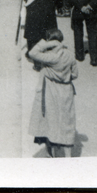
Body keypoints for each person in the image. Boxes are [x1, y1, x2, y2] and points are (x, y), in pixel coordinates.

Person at [27, 29, 78, 158]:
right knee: (67, 122)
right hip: (67, 90)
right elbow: (75, 74)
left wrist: (46, 43)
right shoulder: (69, 54)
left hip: (51, 90)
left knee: (51, 122)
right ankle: (68, 156)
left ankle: (52, 154)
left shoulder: (50, 56)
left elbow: (32, 52)